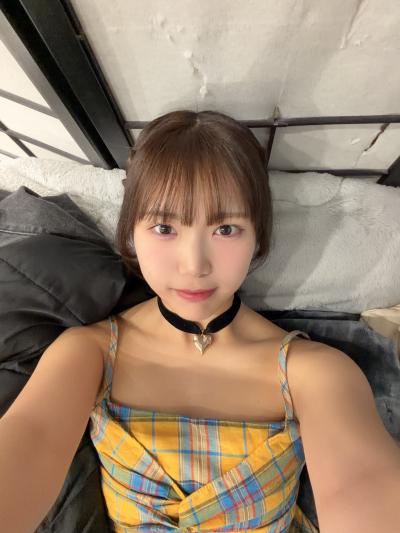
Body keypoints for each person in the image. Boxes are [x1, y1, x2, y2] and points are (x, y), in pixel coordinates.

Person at [0, 110, 399, 533]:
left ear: (257, 238)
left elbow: (361, 483)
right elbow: (31, 439)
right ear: (131, 232)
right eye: (164, 227)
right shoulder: (88, 353)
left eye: (226, 229)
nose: (194, 265)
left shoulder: (316, 371)